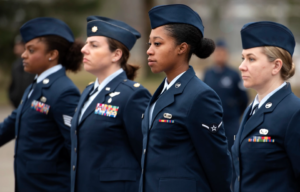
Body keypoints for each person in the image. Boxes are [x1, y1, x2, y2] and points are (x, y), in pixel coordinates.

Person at [140, 4, 232, 192]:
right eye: (150, 43)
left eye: (157, 44)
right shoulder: (161, 92)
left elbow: (218, 164)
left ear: (182, 48)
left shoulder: (200, 96)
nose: (149, 50)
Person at [0, 17, 82, 192]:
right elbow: (13, 121)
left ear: (52, 54)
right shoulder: (36, 85)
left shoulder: (64, 91)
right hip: (29, 183)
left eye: (31, 50)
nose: (23, 54)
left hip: (50, 186)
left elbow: (75, 145)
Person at [70, 16, 151, 192]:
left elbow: (146, 154)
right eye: (86, 44)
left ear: (116, 54)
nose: (84, 49)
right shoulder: (89, 91)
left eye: (94, 45)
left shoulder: (133, 95)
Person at [232, 21, 300, 191]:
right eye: (243, 58)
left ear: (276, 66)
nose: (242, 66)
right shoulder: (252, 109)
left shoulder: (294, 113)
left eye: (251, 59)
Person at [204, 39, 249, 151]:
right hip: (212, 122)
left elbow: (244, 98)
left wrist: (234, 112)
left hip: (230, 122)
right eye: (217, 52)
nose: (220, 55)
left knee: (232, 150)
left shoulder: (234, 74)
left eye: (223, 53)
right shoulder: (208, 74)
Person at [8, 36, 35, 108]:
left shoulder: (37, 66)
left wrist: (32, 105)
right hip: (20, 107)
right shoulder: (16, 65)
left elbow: (48, 109)